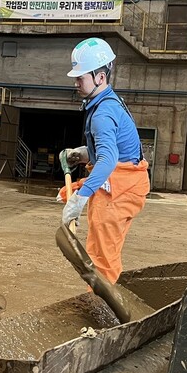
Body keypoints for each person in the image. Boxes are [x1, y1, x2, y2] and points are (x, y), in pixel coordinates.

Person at [58, 37, 150, 285]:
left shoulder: (102, 113)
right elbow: (114, 151)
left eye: (81, 77)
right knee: (105, 252)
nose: (76, 83)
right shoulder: (107, 102)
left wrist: (80, 197)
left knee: (102, 258)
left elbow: (108, 160)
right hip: (128, 184)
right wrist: (83, 153)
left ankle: (102, 315)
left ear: (100, 77)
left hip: (118, 191)